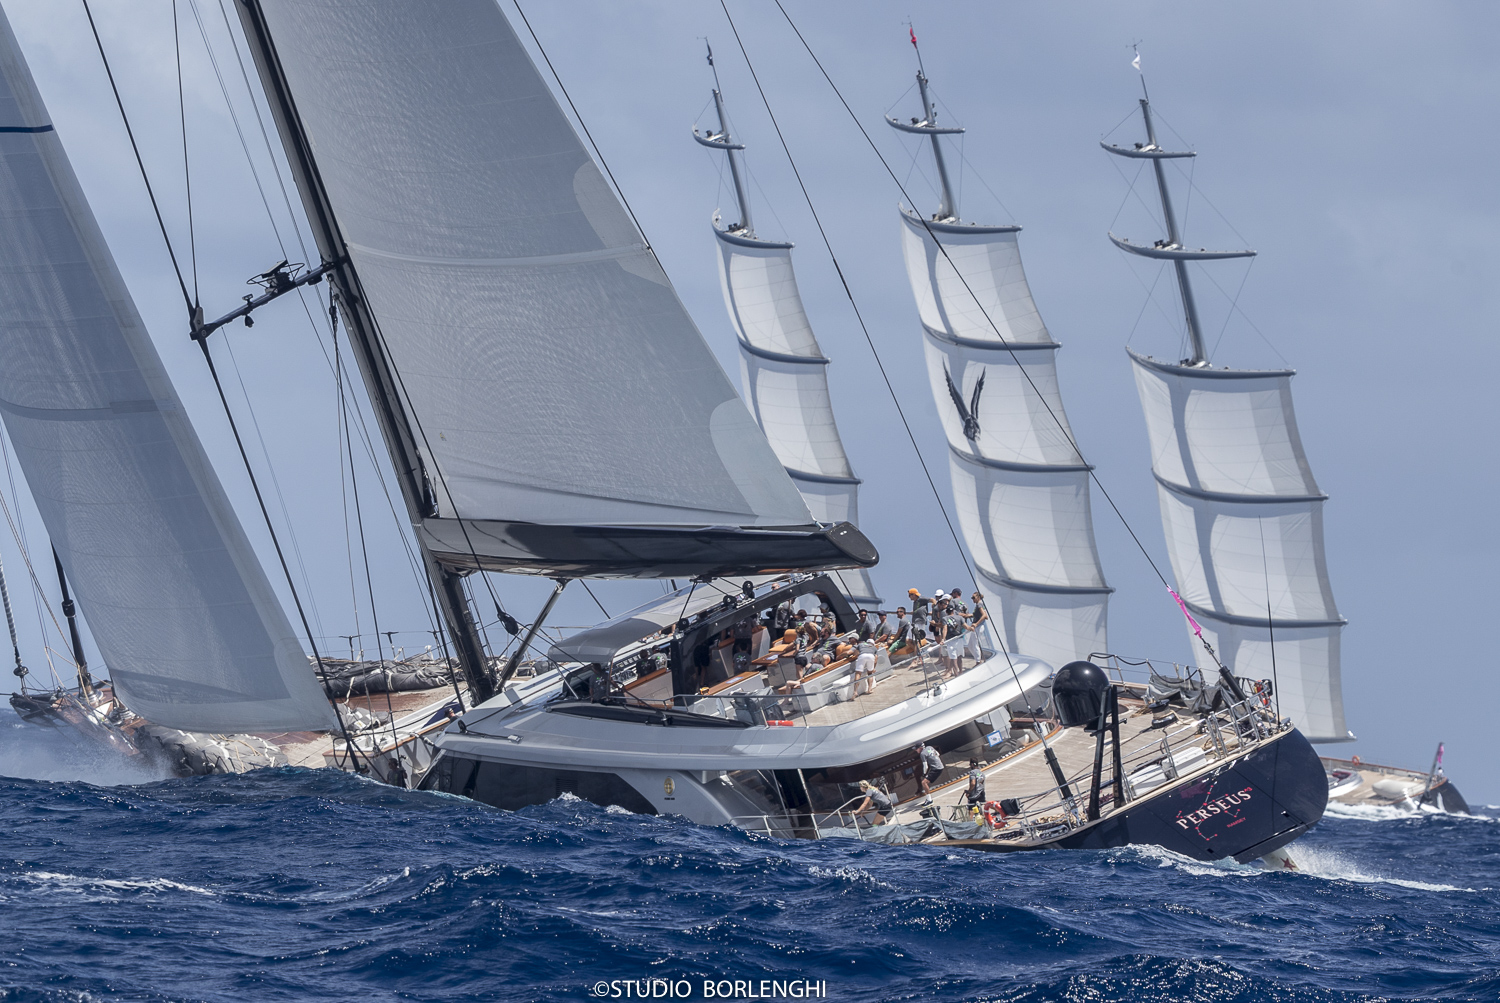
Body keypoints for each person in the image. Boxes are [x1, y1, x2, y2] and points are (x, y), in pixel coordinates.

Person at [966, 592, 989, 662]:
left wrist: (976, 624)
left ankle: (978, 661)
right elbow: (983, 615)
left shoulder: (979, 604)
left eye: (973, 597)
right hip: (977, 627)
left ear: (978, 597)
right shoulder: (979, 605)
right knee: (970, 645)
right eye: (972, 598)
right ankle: (978, 658)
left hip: (978, 627)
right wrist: (968, 615)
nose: (972, 599)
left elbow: (984, 615)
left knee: (975, 644)